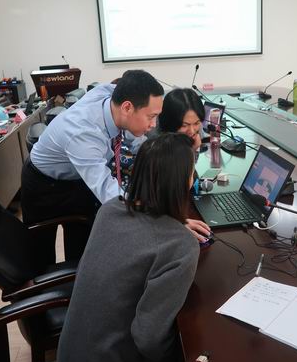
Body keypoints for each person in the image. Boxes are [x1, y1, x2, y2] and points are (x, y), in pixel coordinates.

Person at [22, 70, 211, 270]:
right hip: (44, 185)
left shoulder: (113, 95)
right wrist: (170, 223)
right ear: (127, 108)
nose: (153, 124)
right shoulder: (84, 135)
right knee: (40, 256)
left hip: (78, 179)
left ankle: (78, 279)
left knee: (81, 249)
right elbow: (113, 197)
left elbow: (138, 144)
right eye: (151, 116)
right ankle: (49, 287)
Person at [57, 133, 200, 362]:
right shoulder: (181, 246)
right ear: (184, 181)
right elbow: (149, 339)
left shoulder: (110, 210)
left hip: (70, 354)